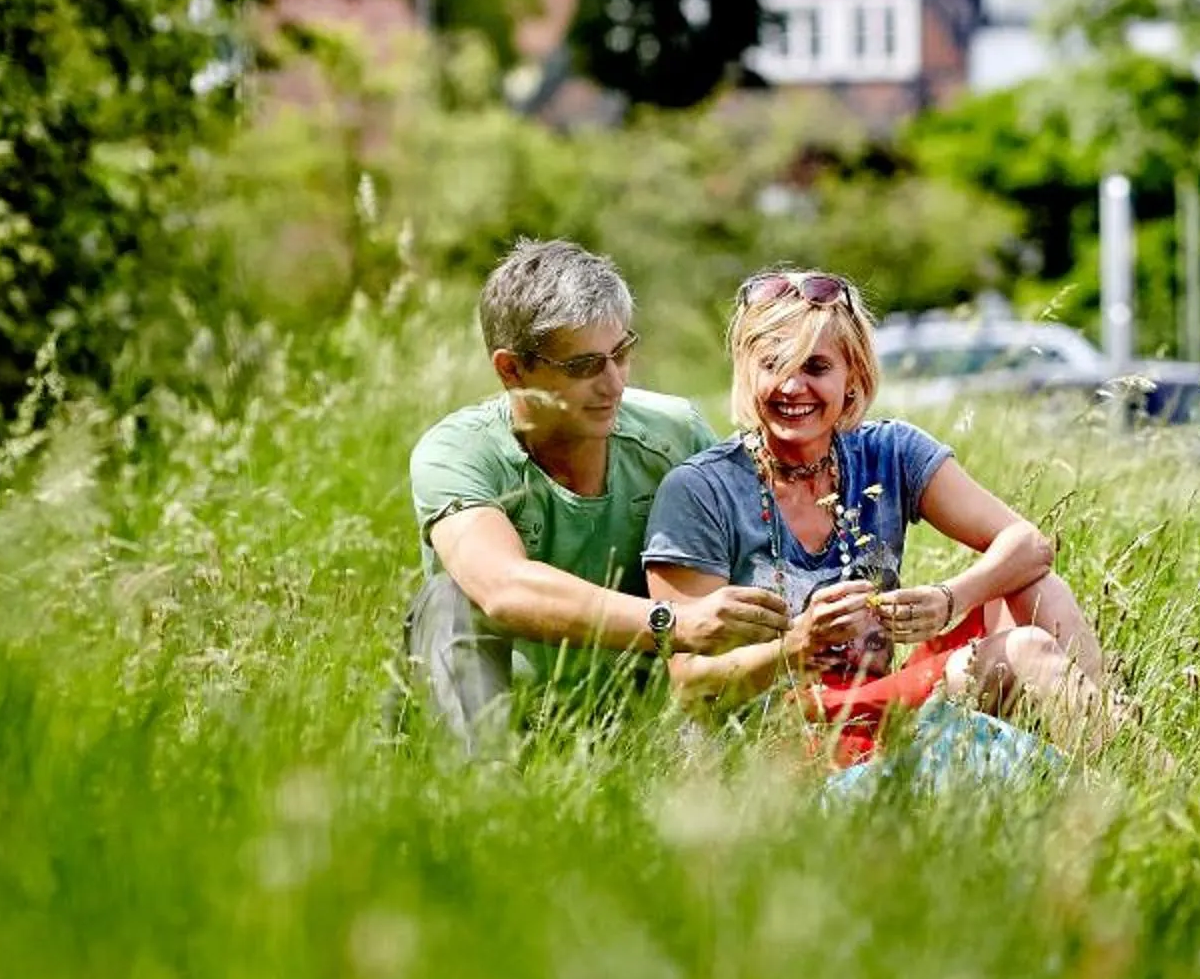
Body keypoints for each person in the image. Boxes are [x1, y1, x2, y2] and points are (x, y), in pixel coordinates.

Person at [642, 267, 1111, 761]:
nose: (791, 385)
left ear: (853, 377)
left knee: (1033, 586)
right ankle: (1137, 782)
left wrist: (949, 600)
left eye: (816, 368)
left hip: (877, 709)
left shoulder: (888, 452)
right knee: (1026, 650)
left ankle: (1113, 756)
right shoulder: (700, 489)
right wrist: (795, 648)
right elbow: (688, 684)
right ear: (747, 372)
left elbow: (1031, 545)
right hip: (778, 734)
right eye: (773, 364)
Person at [403, 236, 786, 749]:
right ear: (511, 369)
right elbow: (504, 589)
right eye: (584, 366)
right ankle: (488, 798)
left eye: (621, 353)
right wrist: (676, 623)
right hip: (510, 716)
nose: (613, 384)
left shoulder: (674, 433)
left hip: (652, 717)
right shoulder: (457, 452)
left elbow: (756, 563)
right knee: (446, 596)